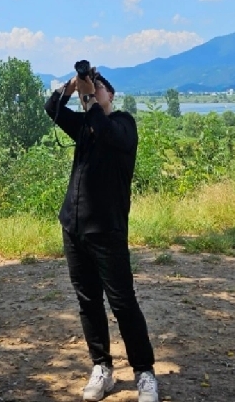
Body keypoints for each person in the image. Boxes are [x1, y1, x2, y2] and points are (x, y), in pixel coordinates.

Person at [44, 62, 159, 402]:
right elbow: (51, 109)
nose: (92, 93)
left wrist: (91, 98)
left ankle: (145, 373)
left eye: (99, 88)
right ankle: (102, 368)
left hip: (107, 230)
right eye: (89, 90)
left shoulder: (124, 124)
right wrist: (70, 87)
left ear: (112, 94)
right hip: (74, 227)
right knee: (88, 301)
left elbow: (106, 132)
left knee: (123, 303)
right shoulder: (82, 124)